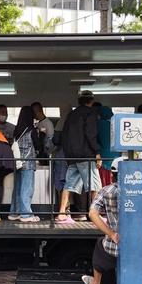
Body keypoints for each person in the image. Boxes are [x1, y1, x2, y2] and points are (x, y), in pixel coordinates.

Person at [81, 157, 142, 284]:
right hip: (137, 247)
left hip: (114, 246)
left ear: (112, 174)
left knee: (99, 245)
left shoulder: (105, 191)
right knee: (139, 279)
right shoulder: (140, 192)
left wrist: (111, 233)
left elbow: (92, 213)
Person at [56, 91, 102, 223]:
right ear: (91, 101)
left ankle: (61, 213)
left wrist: (69, 154)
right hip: (86, 155)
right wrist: (97, 152)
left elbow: (64, 135)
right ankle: (95, 215)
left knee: (69, 185)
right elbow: (90, 134)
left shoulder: (71, 115)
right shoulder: (91, 113)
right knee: (95, 186)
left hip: (71, 157)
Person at [9, 106, 39, 222]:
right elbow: (38, 146)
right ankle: (26, 215)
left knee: (17, 188)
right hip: (28, 163)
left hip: (17, 163)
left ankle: (14, 213)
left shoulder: (16, 130)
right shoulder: (31, 130)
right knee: (27, 189)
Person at [96, 105, 119, 187]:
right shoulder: (115, 124)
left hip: (104, 157)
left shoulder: (99, 124)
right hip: (116, 156)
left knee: (103, 182)